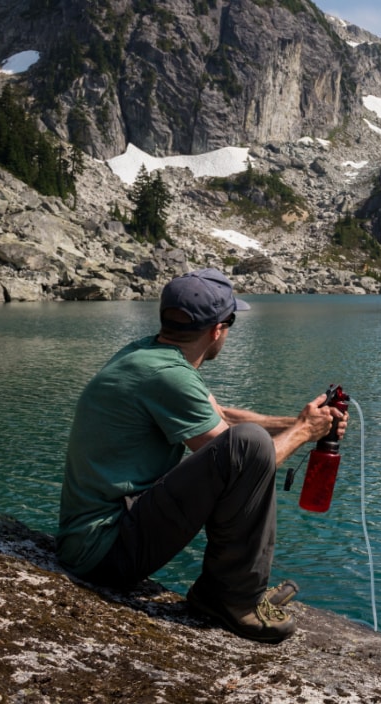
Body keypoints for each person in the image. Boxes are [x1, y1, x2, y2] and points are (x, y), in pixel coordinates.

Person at [56, 268, 346, 644]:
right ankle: (233, 599)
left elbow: (220, 417)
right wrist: (304, 432)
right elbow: (244, 459)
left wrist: (301, 421)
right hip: (103, 553)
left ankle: (223, 590)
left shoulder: (149, 355)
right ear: (218, 330)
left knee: (248, 440)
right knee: (249, 446)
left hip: (91, 539)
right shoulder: (169, 376)